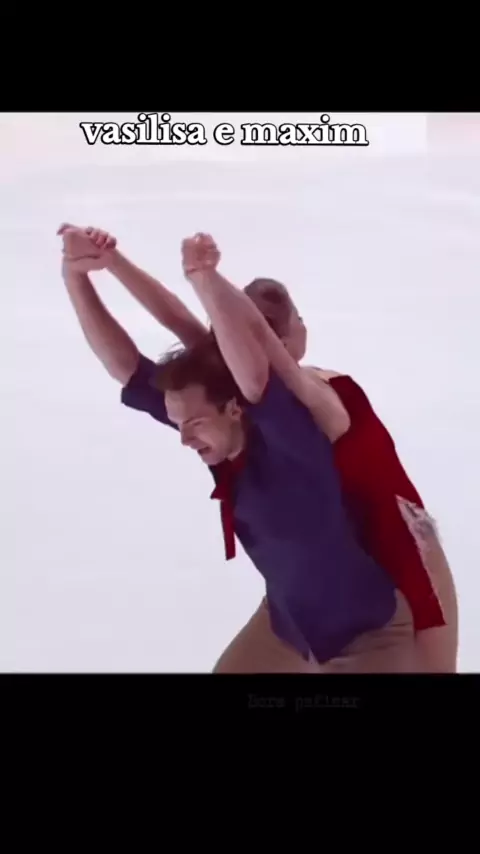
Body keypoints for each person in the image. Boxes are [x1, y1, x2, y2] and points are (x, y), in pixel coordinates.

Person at [58, 224, 458, 672]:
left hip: (396, 575)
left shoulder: (307, 409)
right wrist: (92, 270)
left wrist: (205, 279)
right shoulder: (221, 407)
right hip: (297, 615)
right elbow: (163, 341)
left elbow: (251, 363)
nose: (185, 438)